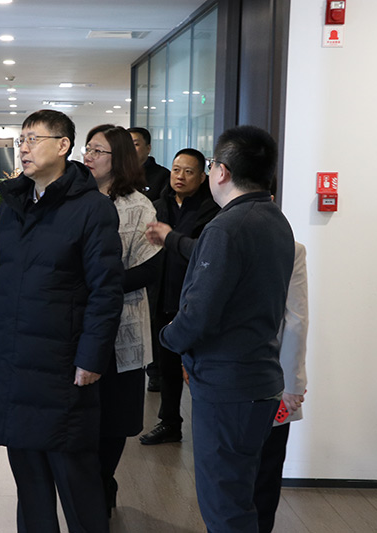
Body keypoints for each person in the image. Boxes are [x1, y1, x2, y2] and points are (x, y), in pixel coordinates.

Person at [0, 109, 124, 533]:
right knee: (29, 481)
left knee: (76, 479)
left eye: (33, 139)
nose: (23, 148)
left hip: (62, 365)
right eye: (20, 139)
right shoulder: (13, 202)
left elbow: (106, 290)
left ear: (63, 145)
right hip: (13, 360)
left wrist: (91, 357)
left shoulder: (92, 208)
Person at [159, 125, 294, 532]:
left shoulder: (227, 226)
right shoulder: (275, 218)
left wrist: (168, 336)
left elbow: (200, 315)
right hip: (259, 380)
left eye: (211, 164)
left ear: (221, 172)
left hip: (228, 386)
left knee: (224, 507)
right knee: (242, 498)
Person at [83, 124, 162, 516]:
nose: (88, 156)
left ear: (119, 159)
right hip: (77, 324)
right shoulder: (76, 199)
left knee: (113, 417)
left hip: (121, 325)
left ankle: (103, 483)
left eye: (98, 151)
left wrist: (101, 287)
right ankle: (84, 487)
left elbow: (149, 269)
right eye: (87, 148)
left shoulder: (138, 206)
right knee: (80, 413)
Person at [140, 149, 219, 444]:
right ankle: (170, 422)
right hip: (162, 295)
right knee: (168, 367)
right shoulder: (157, 206)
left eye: (188, 171)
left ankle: (208, 429)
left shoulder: (212, 210)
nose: (180, 177)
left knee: (200, 367)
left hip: (195, 298)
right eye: (176, 170)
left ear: (202, 177)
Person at [254, 237, 308, 533]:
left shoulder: (217, 240)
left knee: (226, 472)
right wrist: (293, 384)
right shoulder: (290, 248)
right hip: (271, 377)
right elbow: (296, 320)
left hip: (224, 379)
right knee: (266, 470)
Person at [127, 127, 170, 201]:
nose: (130, 148)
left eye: (135, 144)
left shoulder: (163, 175)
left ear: (148, 148)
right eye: (127, 144)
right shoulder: (115, 173)